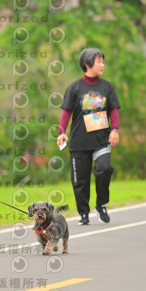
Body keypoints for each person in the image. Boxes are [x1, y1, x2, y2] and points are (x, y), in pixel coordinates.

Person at [56, 48, 120, 225]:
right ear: (87, 64)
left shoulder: (107, 87)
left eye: (102, 61)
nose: (102, 65)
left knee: (104, 169)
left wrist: (115, 130)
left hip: (102, 140)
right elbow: (66, 112)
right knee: (80, 180)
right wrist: (61, 132)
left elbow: (113, 109)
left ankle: (100, 204)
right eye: (99, 61)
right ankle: (83, 213)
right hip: (80, 141)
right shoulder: (75, 88)